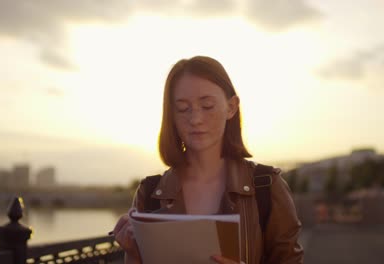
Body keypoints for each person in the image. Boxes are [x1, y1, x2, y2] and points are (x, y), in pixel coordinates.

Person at [113, 56, 304, 264]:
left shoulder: (267, 186)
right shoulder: (149, 193)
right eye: (183, 108)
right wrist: (133, 253)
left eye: (207, 106)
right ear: (172, 116)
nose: (195, 119)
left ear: (231, 107)